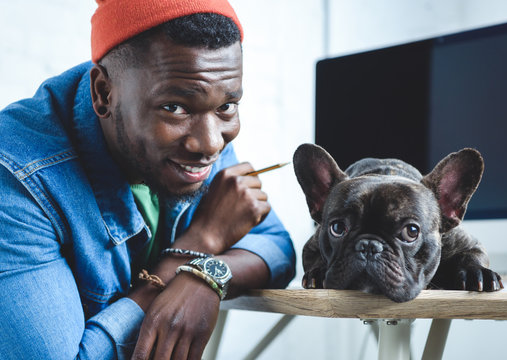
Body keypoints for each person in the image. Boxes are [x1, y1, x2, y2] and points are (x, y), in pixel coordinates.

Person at [0, 1, 296, 359]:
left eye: (227, 107)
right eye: (174, 108)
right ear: (104, 94)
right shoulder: (16, 177)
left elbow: (276, 247)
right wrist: (202, 242)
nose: (211, 144)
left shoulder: (194, 135)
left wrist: (202, 276)